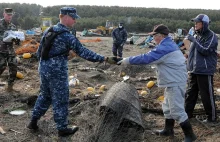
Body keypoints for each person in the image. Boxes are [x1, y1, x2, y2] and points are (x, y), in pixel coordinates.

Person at [27, 7, 118, 137]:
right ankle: (62, 128)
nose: (75, 20)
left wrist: (57, 56)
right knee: (61, 97)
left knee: (45, 95)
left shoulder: (49, 30)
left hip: (44, 67)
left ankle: (33, 121)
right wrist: (105, 58)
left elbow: (39, 51)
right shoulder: (66, 35)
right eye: (73, 17)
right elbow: (84, 52)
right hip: (57, 70)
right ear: (65, 17)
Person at [118, 24, 196, 142]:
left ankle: (190, 136)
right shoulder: (167, 44)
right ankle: (168, 130)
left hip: (175, 81)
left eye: (154, 36)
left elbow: (146, 58)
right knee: (167, 107)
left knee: (176, 109)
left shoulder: (164, 47)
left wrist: (126, 60)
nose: (153, 39)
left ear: (160, 35)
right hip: (173, 80)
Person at [185, 14, 218, 123]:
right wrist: (189, 66)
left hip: (205, 70)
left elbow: (206, 50)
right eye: (194, 22)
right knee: (191, 93)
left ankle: (212, 118)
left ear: (204, 24)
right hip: (194, 69)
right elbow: (192, 53)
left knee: (206, 95)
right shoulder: (197, 35)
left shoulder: (211, 36)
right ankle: (186, 115)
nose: (195, 24)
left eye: (197, 22)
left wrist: (194, 41)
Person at [0, 8, 18, 92]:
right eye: (8, 15)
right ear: (4, 14)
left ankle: (10, 86)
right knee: (1, 66)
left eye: (11, 15)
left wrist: (17, 40)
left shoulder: (13, 27)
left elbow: (16, 42)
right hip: (1, 50)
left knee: (14, 67)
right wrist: (3, 38)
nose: (9, 16)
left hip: (10, 51)